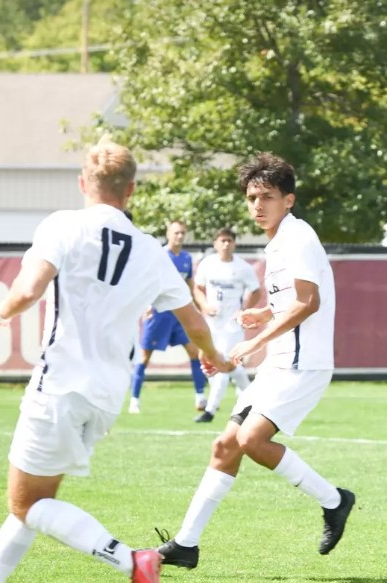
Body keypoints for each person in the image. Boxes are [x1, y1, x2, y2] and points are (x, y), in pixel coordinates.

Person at [0, 137, 233, 583]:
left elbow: (29, 290)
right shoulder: (151, 251)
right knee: (35, 502)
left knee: (25, 503)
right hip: (107, 396)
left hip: (60, 385)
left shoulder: (63, 225)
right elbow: (194, 323)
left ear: (82, 183)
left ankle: (133, 561)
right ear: (130, 190)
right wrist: (215, 358)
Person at [155, 152, 354, 570]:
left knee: (251, 441)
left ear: (289, 200)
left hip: (304, 365)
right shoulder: (278, 242)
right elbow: (291, 300)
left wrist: (254, 342)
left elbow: (309, 302)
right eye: (251, 198)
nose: (257, 206)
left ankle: (334, 500)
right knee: (224, 445)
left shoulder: (298, 237)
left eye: (267, 197)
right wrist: (263, 313)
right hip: (281, 363)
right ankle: (187, 544)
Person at [128, 219, 209, 414]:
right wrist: (147, 304)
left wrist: (197, 308)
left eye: (182, 233)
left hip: (179, 315)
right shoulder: (159, 255)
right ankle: (134, 400)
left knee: (194, 352)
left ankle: (200, 397)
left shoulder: (186, 258)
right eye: (176, 232)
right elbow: (146, 281)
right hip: (159, 314)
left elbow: (189, 284)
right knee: (145, 356)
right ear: (168, 234)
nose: (179, 236)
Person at [192, 227, 262, 423]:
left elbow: (256, 291)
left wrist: (244, 310)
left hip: (232, 327)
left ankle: (210, 411)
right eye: (222, 240)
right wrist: (205, 306)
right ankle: (254, 403)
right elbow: (198, 288)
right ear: (215, 244)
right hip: (212, 324)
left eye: (229, 240)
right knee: (232, 368)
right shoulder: (208, 264)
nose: (225, 244)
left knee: (223, 365)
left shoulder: (243, 267)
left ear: (234, 244)